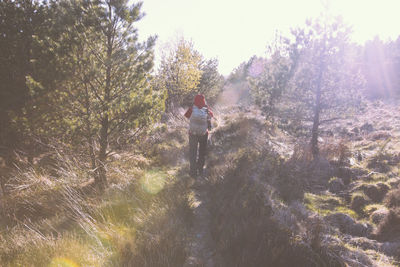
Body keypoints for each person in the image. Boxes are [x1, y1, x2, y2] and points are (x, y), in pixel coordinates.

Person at [184, 94, 213, 177]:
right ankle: (200, 171)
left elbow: (186, 116)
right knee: (202, 153)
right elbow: (212, 116)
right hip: (203, 134)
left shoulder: (192, 109)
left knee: (193, 153)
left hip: (192, 133)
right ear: (204, 101)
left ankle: (193, 173)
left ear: (195, 100)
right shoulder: (207, 110)